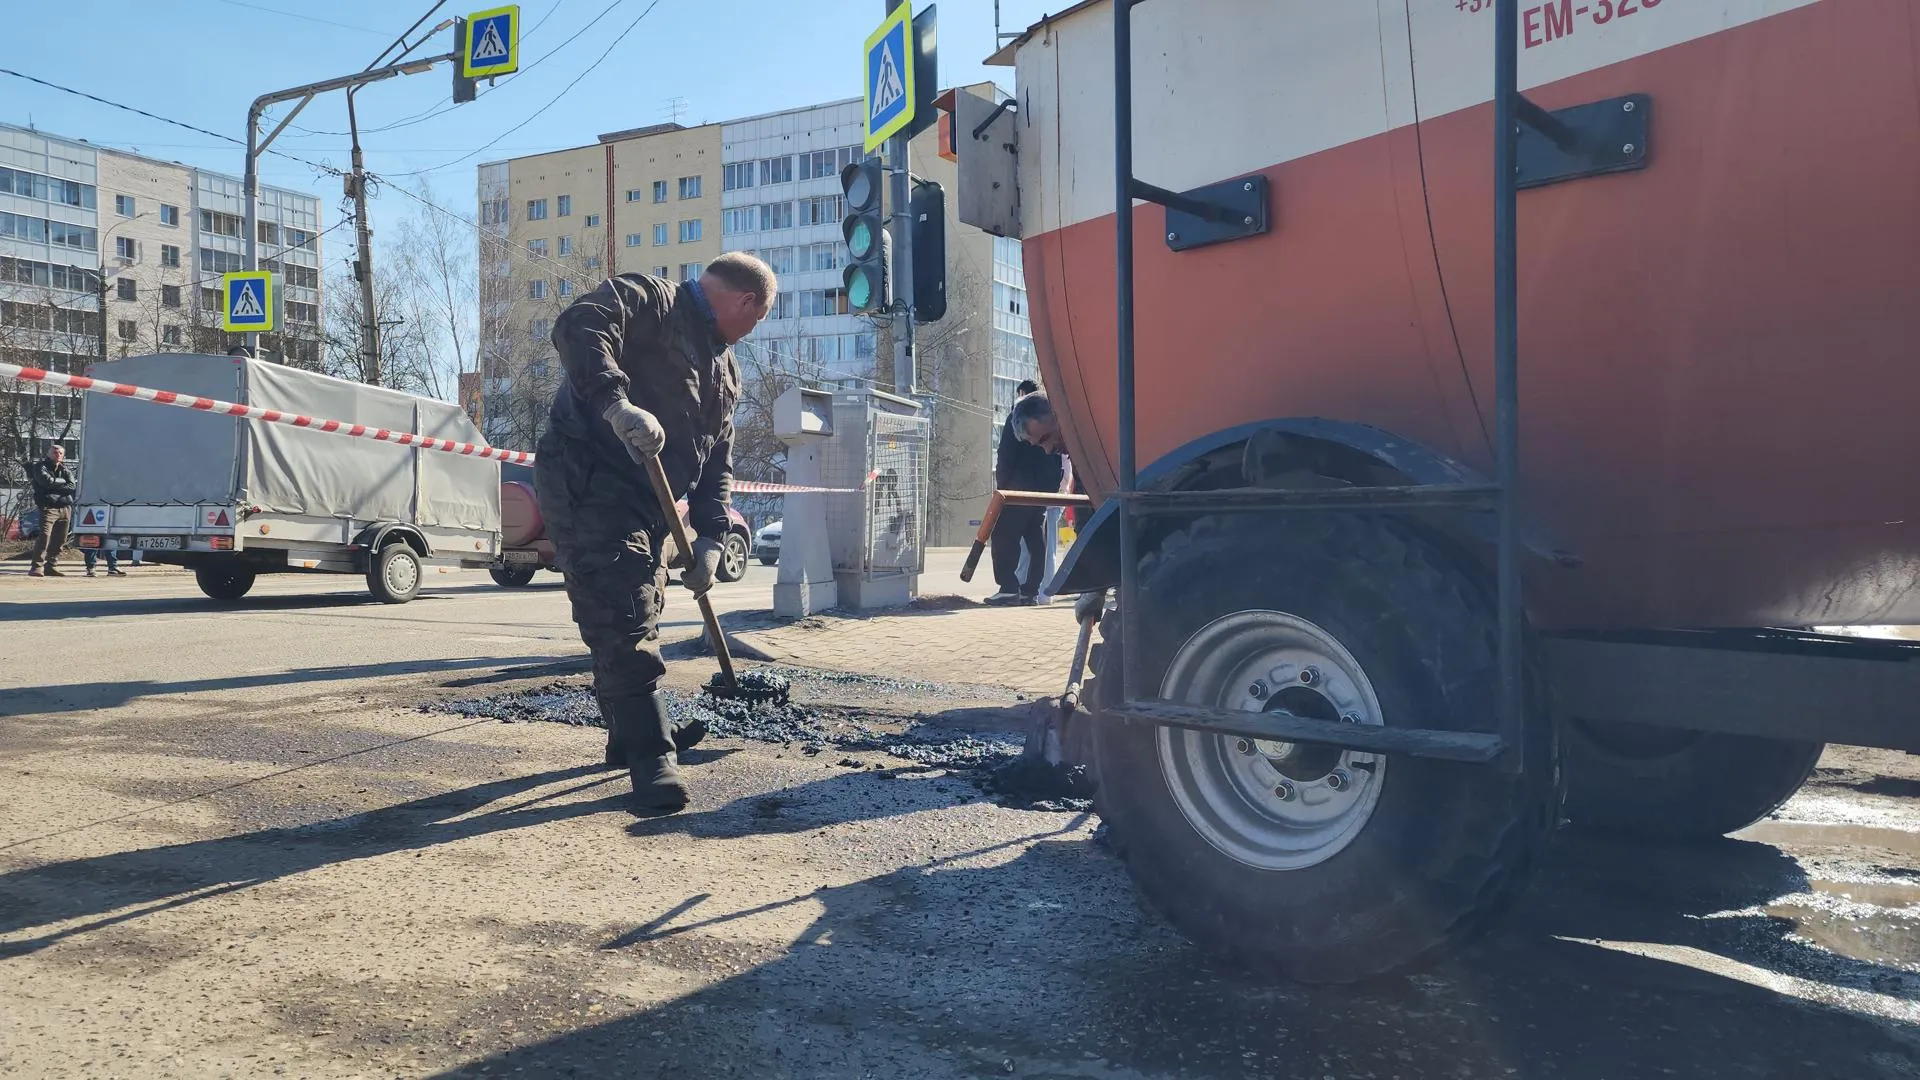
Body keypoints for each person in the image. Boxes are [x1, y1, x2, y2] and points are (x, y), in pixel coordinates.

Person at [536, 253, 776, 812]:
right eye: (759, 318)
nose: (753, 330)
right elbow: (579, 325)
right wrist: (615, 405)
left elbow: (719, 462)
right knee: (620, 608)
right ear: (745, 302)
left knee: (636, 605)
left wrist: (713, 538)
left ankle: (628, 732)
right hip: (589, 477)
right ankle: (652, 758)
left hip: (650, 501)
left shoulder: (725, 371)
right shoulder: (651, 300)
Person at [989, 380, 1062, 605]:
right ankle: (1031, 590)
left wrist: (1002, 487)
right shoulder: (1052, 421)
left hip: (1017, 488)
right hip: (1042, 491)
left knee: (1003, 535)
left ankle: (1008, 587)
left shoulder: (1018, 420)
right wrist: (1051, 488)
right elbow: (1055, 455)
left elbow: (1006, 455)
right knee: (1035, 539)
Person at [25, 444, 75, 577]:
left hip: (65, 507)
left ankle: (51, 565)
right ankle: (36, 566)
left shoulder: (65, 469)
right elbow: (45, 482)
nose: (57, 454)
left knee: (60, 539)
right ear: (48, 454)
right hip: (48, 507)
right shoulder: (40, 467)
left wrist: (54, 484)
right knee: (45, 537)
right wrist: (60, 484)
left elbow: (72, 486)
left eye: (60, 453)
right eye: (54, 452)